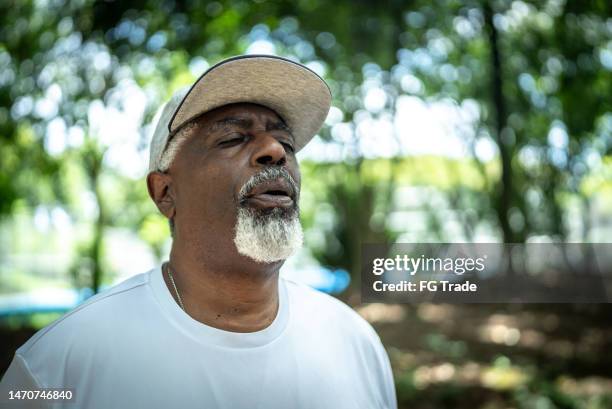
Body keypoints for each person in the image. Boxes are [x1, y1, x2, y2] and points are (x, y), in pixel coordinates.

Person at [1, 55, 397, 408]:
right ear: (165, 192)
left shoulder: (354, 341)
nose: (275, 151)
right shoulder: (56, 367)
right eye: (232, 138)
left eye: (287, 143)